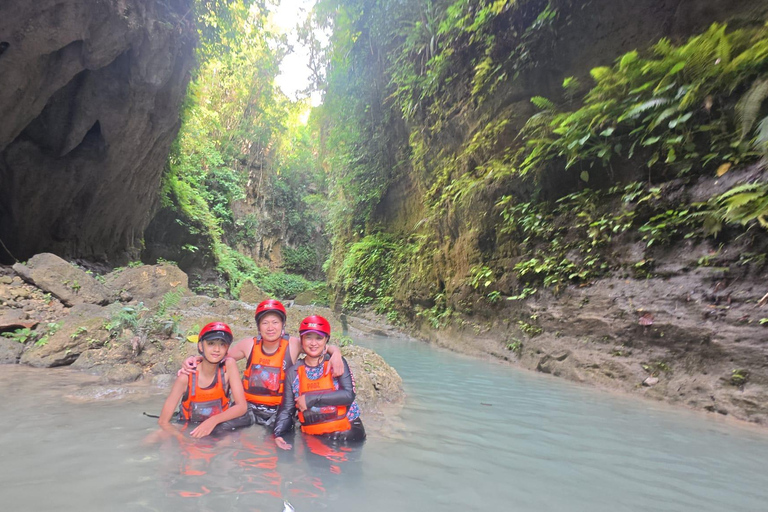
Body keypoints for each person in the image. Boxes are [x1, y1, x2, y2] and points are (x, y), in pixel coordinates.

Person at [181, 299, 344, 427]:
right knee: (220, 431)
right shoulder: (248, 345)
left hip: (278, 410)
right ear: (259, 326)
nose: (270, 327)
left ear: (283, 325)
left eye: (275, 322)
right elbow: (218, 356)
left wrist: (336, 353)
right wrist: (196, 359)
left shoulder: (294, 345)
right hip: (248, 409)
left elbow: (318, 346)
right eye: (265, 323)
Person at [273, 315, 366, 450]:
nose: (313, 343)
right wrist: (278, 434)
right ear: (302, 340)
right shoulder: (293, 373)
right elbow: (287, 410)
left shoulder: (337, 363)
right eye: (308, 337)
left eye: (319, 338)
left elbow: (348, 395)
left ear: (326, 340)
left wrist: (311, 399)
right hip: (315, 438)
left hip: (348, 434)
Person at [159, 322, 249, 438]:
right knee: (157, 435)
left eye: (222, 344)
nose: (217, 349)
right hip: (189, 428)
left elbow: (242, 407)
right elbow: (163, 422)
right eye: (211, 344)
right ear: (201, 346)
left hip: (219, 426)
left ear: (227, 348)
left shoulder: (229, 367)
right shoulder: (185, 378)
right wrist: (182, 439)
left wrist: (213, 421)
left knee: (229, 441)